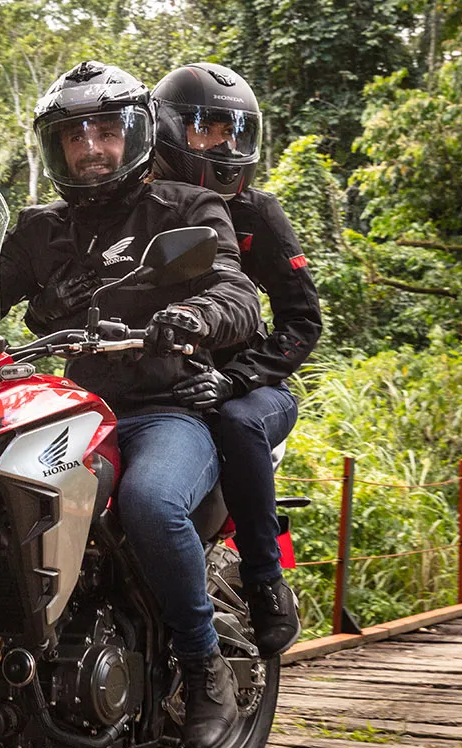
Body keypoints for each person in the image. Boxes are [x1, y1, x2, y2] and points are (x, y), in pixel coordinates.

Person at [0, 61, 265, 748]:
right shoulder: (39, 230)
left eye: (106, 130)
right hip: (70, 408)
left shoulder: (185, 208)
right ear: (54, 149)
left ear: (136, 133)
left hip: (164, 409)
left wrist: (195, 316)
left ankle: (203, 667)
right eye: (72, 136)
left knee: (149, 500)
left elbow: (239, 296)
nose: (90, 147)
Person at [150, 62, 321, 658]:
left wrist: (241, 376)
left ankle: (264, 580)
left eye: (233, 132)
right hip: (164, 384)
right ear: (168, 131)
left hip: (250, 384)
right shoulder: (145, 207)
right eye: (207, 130)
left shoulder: (259, 215)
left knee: (239, 422)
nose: (224, 145)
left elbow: (304, 320)